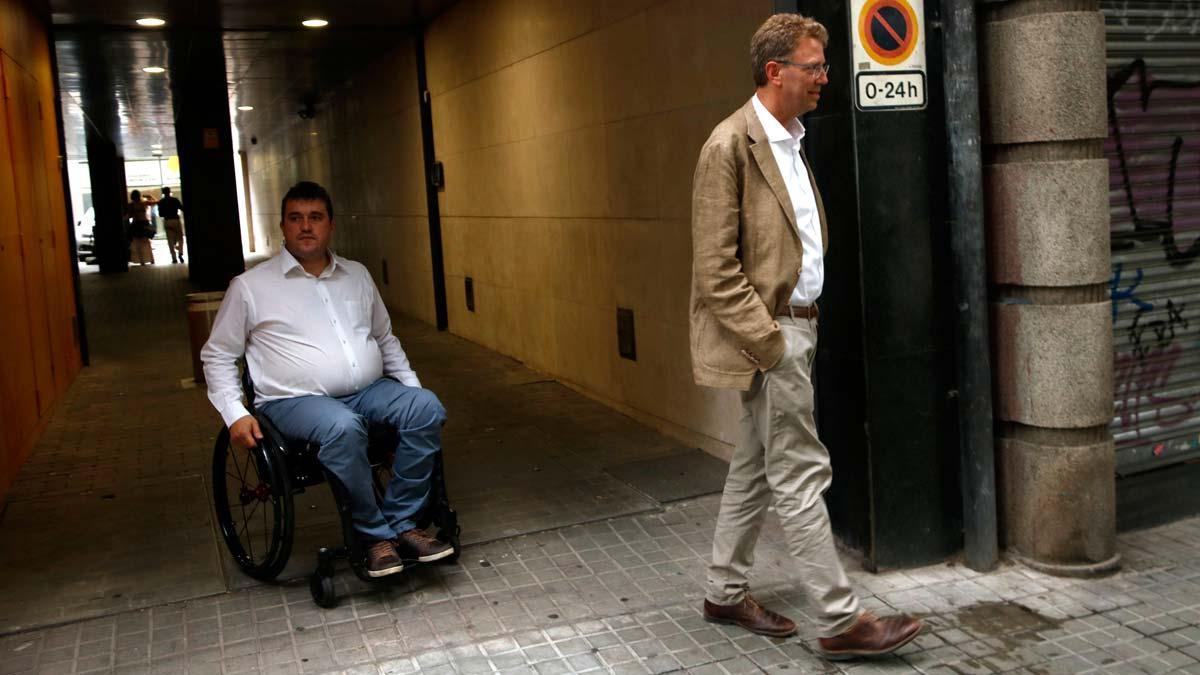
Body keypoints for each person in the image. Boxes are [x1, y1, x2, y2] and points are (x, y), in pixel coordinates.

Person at [689, 14, 922, 660]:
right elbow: (714, 270)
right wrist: (769, 342)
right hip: (774, 336)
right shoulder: (728, 146)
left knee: (754, 467)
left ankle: (723, 588)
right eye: (814, 66)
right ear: (775, 72)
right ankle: (841, 617)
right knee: (797, 469)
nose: (825, 77)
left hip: (799, 329)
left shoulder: (791, 140)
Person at [200, 180, 453, 577]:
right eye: (295, 218)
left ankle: (403, 523)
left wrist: (410, 388)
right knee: (343, 426)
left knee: (426, 407)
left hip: (368, 390)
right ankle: (375, 536)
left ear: (330, 225)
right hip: (293, 402)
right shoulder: (250, 287)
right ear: (282, 226)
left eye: (315, 218)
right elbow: (217, 355)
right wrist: (234, 413)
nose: (305, 227)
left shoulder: (356, 275)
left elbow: (384, 338)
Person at [126, 189, 155, 265]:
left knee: (138, 243)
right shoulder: (144, 203)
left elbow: (129, 215)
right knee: (147, 242)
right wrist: (150, 196)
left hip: (137, 224)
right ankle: (151, 259)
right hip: (145, 223)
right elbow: (156, 202)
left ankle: (142, 261)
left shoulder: (131, 205)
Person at [157, 186, 185, 264]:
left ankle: (174, 258)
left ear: (163, 193)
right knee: (180, 238)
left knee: (170, 240)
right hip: (176, 220)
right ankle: (180, 253)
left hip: (167, 221)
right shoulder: (175, 200)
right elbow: (182, 208)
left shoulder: (161, 202)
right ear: (170, 192)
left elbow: (160, 214)